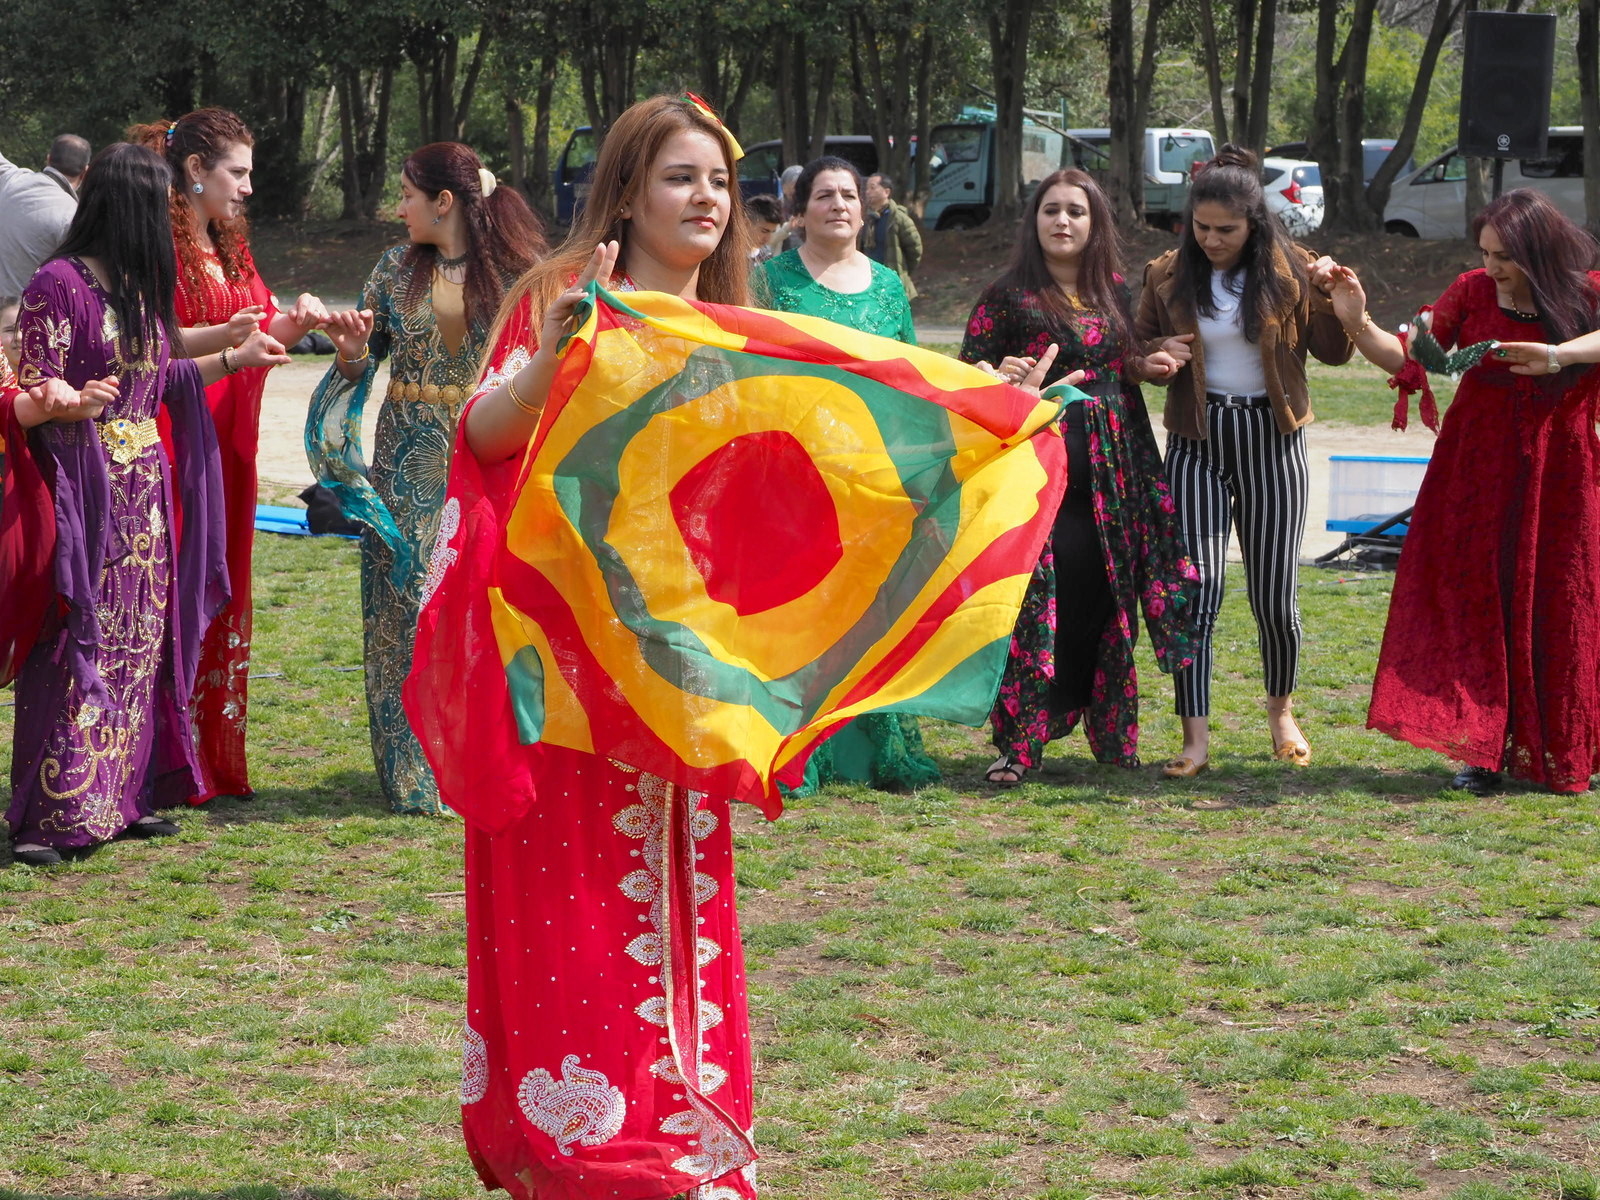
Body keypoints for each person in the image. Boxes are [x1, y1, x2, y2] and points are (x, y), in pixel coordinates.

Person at [400, 93, 762, 1200]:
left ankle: (680, 1121)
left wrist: (986, 421)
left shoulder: (740, 322)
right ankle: (582, 1131)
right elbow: (480, 436)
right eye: (678, 179)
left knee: (674, 885)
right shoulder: (563, 297)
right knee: (573, 893)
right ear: (625, 191)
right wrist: (552, 360)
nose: (703, 199)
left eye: (716, 181)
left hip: (677, 659)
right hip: (560, 658)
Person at [1, 142, 289, 867]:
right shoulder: (55, 285)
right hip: (85, 489)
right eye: (157, 211)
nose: (169, 225)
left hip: (146, 495)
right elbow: (38, 392)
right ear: (127, 208)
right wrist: (68, 405)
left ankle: (120, 801)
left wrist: (232, 355)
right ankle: (52, 815)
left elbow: (157, 375)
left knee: (139, 641)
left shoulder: (137, 285)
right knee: (77, 639)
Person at [1323, 188, 1600, 794]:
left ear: (1541, 251)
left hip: (1561, 473)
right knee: (1482, 601)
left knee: (1563, 600)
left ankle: (1569, 747)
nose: (1494, 266)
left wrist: (1558, 355)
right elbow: (1416, 361)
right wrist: (1357, 319)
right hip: (1477, 472)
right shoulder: (1471, 291)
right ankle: (1484, 748)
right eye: (1488, 252)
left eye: (1506, 255)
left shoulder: (1585, 294)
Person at [307, 142, 546, 815]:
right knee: (399, 603)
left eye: (409, 193)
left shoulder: (515, 271)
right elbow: (362, 366)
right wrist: (352, 354)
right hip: (404, 453)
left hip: (484, 448)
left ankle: (482, 756)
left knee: (480, 598)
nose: (399, 206)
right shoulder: (392, 270)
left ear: (445, 201)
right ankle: (412, 771)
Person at [131, 108, 341, 804]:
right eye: (238, 172)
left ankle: (205, 760)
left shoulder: (229, 244)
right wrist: (231, 344)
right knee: (171, 587)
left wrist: (298, 323)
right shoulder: (154, 244)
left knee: (219, 579)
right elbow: (152, 344)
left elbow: (257, 332)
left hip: (230, 445)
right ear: (195, 170)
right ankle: (156, 759)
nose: (248, 188)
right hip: (177, 436)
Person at [960, 168, 1199, 783]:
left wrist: (1154, 364)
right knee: (1038, 596)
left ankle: (1111, 733)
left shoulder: (1115, 291)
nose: (1062, 221)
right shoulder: (1007, 295)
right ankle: (1019, 743)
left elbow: (1124, 364)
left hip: (1116, 470)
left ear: (1096, 224)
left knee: (1104, 592)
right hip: (1040, 468)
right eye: (1050, 211)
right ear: (1033, 221)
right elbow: (968, 373)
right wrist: (1001, 372)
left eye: (1075, 211)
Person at [1134, 144, 1351, 778]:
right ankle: (1194, 737)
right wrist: (1154, 353)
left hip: (1272, 440)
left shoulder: (1294, 272)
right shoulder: (1168, 274)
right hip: (1197, 441)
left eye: (1226, 229)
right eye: (1201, 227)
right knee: (1198, 588)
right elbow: (1137, 345)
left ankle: (1281, 710)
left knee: (1275, 596)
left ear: (1254, 223)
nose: (1211, 239)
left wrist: (1340, 301)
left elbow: (1335, 352)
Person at [752, 155, 936, 791]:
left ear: (866, 208)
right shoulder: (770, 282)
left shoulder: (888, 286)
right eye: (823, 195)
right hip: (792, 472)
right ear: (799, 211)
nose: (838, 204)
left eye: (849, 195)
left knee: (870, 609)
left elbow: (912, 379)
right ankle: (800, 750)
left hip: (870, 474)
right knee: (801, 609)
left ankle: (875, 747)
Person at [0, 135, 88, 296]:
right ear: (85, 172)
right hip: (25, 314)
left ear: (48, 159)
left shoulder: (11, 178)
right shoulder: (73, 217)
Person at [861, 171, 923, 300]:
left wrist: (902, 271)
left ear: (886, 192)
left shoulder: (898, 218)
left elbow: (915, 249)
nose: (867, 192)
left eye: (872, 187)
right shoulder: (866, 219)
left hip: (892, 285)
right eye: (866, 188)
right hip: (869, 284)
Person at [745, 192, 783, 262]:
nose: (768, 238)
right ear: (746, 223)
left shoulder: (766, 257)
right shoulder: (725, 253)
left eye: (772, 232)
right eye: (764, 231)